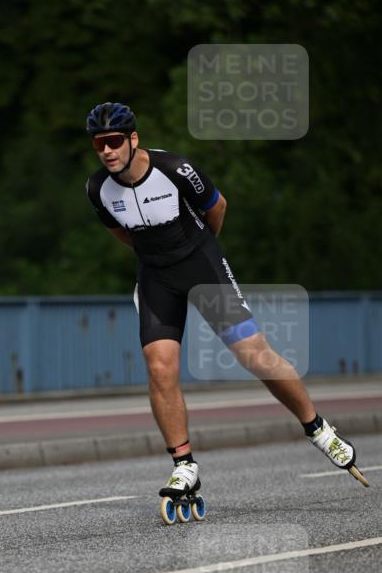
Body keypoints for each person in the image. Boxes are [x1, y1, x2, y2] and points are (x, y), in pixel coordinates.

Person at [85, 101, 368, 504]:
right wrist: (155, 262)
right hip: (155, 275)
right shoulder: (97, 188)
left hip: (200, 263)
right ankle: (184, 465)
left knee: (255, 356)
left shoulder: (176, 170)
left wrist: (203, 253)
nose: (107, 150)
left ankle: (319, 428)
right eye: (99, 144)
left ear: (133, 139)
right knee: (159, 367)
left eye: (114, 141)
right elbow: (121, 234)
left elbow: (217, 208)